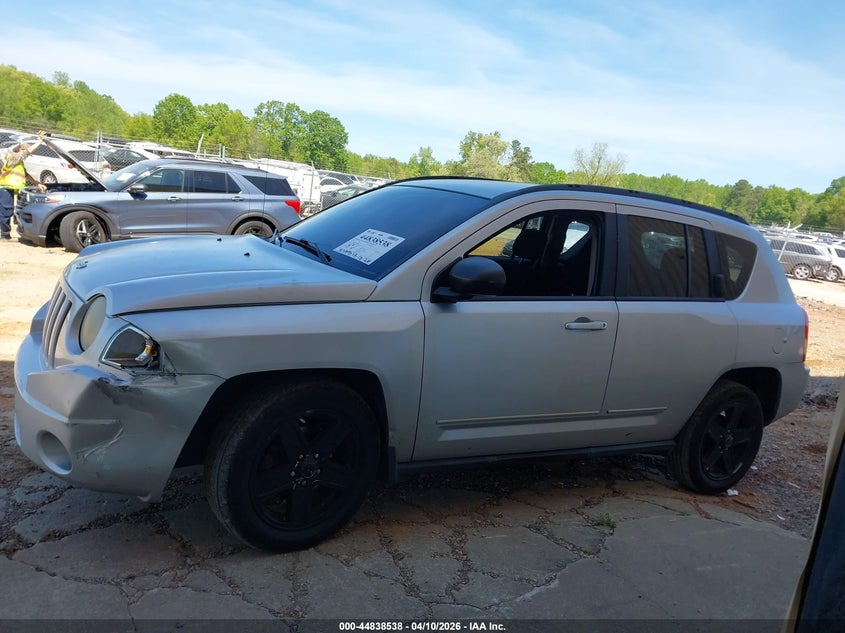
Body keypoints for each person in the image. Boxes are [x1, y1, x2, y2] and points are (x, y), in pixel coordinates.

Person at [0, 130, 48, 240]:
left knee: (5, 211)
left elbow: (25, 174)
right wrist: (40, 141)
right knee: (6, 211)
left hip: (7, 188)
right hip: (4, 188)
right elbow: (27, 151)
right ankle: (4, 235)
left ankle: (5, 234)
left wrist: (37, 183)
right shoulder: (12, 157)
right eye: (24, 151)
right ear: (19, 149)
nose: (27, 156)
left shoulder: (17, 161)